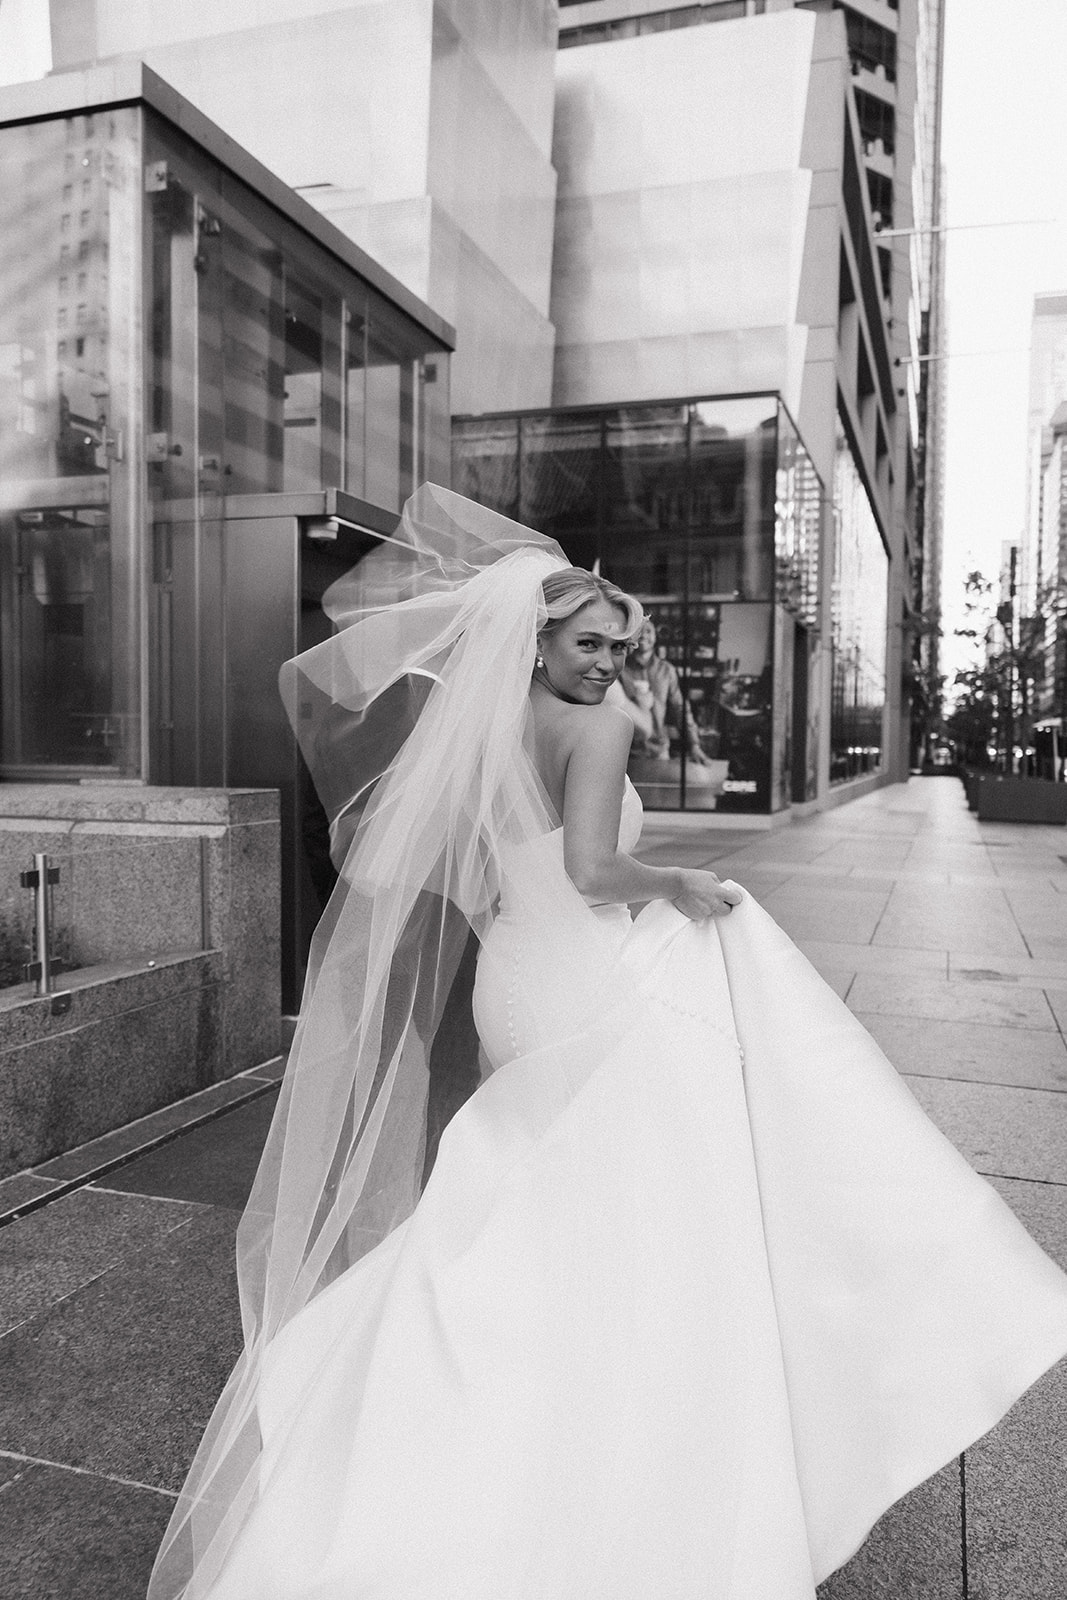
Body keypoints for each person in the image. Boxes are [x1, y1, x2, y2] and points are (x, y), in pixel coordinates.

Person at [149, 484, 1067, 1600]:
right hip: (574, 967)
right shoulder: (602, 726)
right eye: (587, 642)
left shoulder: (479, 728)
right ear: (534, 640)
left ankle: (495, 1387)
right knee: (619, 1182)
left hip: (513, 980)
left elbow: (484, 877)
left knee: (537, 1184)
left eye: (618, 645)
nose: (605, 662)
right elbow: (590, 873)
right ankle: (610, 1397)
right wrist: (674, 877)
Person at [614, 614, 713, 765]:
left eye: (648, 631)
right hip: (626, 752)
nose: (644, 635)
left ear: (655, 636)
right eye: (639, 631)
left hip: (659, 750)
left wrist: (694, 744)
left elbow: (680, 708)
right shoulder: (619, 669)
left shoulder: (667, 670)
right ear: (631, 637)